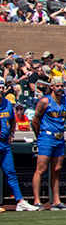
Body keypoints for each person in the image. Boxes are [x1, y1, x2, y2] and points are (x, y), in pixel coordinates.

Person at [31, 78, 66, 209]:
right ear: (52, 86)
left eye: (62, 85)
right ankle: (37, 201)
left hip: (60, 138)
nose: (60, 88)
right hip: (47, 136)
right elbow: (35, 121)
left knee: (57, 170)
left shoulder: (65, 100)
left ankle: (56, 201)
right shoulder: (45, 101)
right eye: (57, 86)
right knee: (41, 169)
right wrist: (40, 137)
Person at [0, 81, 38, 211]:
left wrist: (11, 133)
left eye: (2, 87)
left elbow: (12, 118)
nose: (0, 89)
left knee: (11, 172)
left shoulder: (6, 103)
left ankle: (20, 201)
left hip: (4, 142)